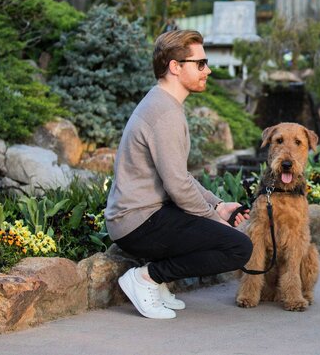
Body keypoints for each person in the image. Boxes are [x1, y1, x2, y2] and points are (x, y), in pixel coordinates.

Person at [105, 30, 253, 319]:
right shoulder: (164, 113)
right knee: (238, 246)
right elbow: (177, 185)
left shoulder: (163, 103)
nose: (207, 70)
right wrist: (215, 221)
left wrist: (217, 205)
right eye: (200, 63)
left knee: (224, 233)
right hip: (137, 223)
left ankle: (155, 282)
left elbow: (179, 175)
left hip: (147, 215)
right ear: (175, 67)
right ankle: (147, 278)